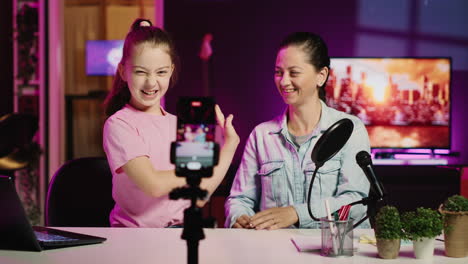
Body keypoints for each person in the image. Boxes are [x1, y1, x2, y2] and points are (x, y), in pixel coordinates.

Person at [224, 32, 370, 230]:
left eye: (294, 73)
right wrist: (238, 217)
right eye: (278, 72)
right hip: (275, 253)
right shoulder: (261, 135)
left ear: (321, 76)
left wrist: (296, 213)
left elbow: (356, 203)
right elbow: (240, 199)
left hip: (332, 255)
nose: (283, 81)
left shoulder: (350, 129)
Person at [103, 18, 239, 228]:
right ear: (123, 71)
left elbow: (200, 196)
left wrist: (230, 146)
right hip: (134, 238)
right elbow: (153, 184)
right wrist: (194, 171)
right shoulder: (119, 124)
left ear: (171, 71)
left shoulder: (181, 125)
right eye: (140, 72)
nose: (151, 82)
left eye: (161, 72)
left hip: (179, 234)